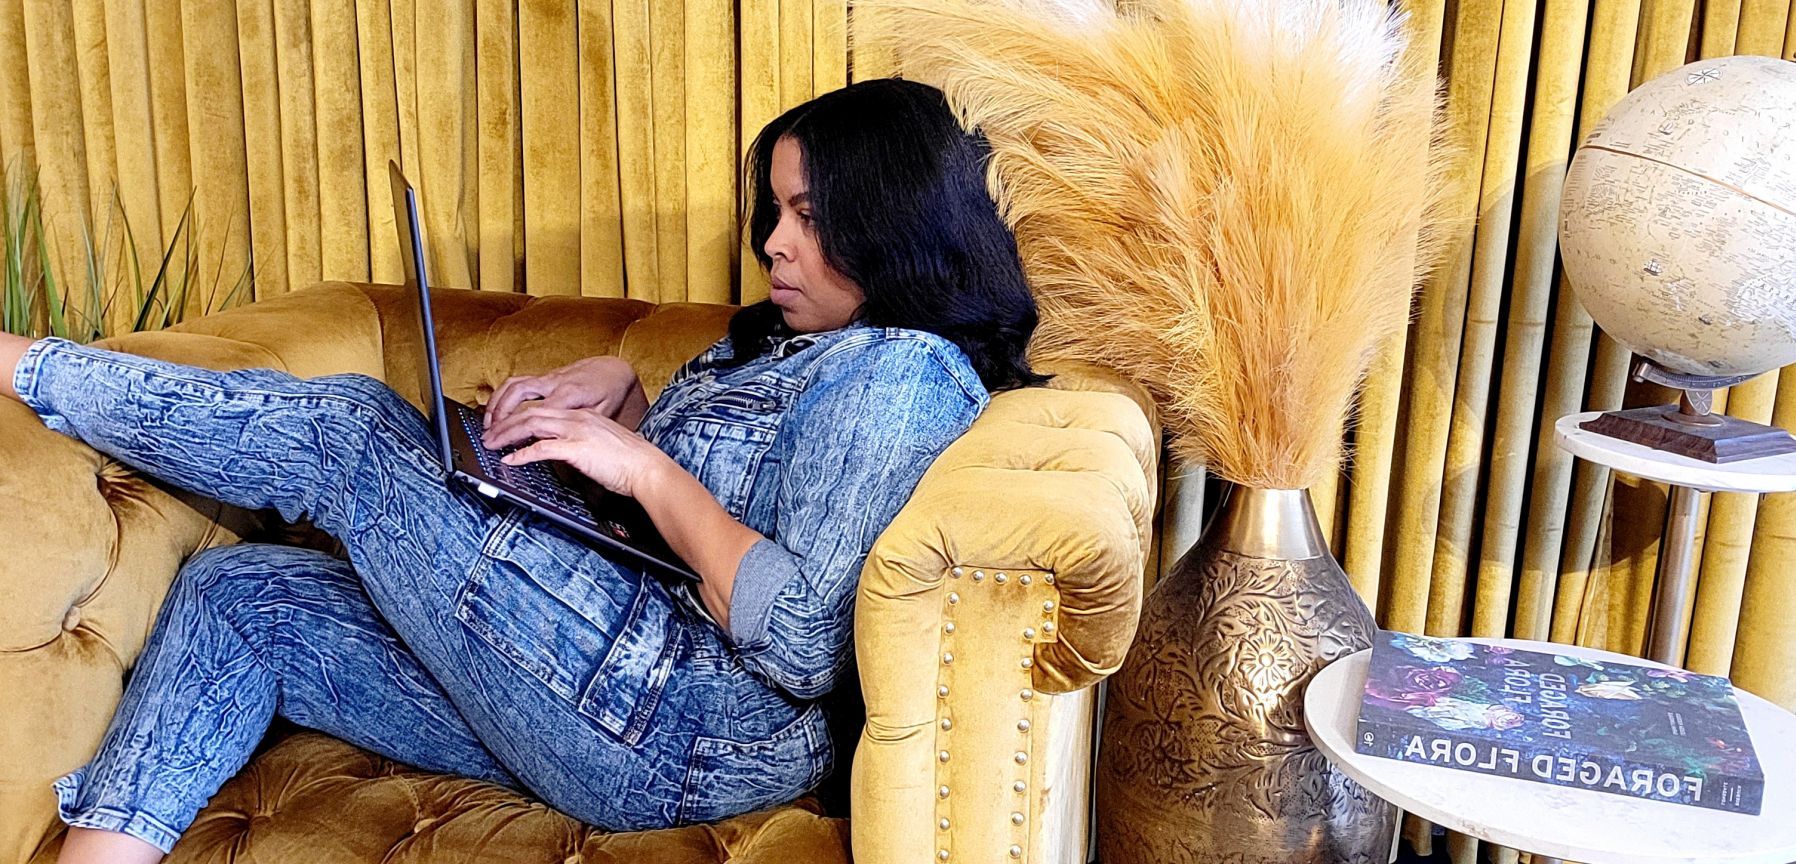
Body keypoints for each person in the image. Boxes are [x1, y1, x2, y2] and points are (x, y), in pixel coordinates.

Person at [0, 77, 1045, 864]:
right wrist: (626, 402)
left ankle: (25, 364)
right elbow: (739, 495)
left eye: (808, 217)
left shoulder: (900, 372)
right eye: (774, 211)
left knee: (354, 433)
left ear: (895, 223)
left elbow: (807, 639)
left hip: (686, 726)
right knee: (246, 595)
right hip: (617, 682)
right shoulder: (803, 342)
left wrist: (642, 467)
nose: (774, 242)